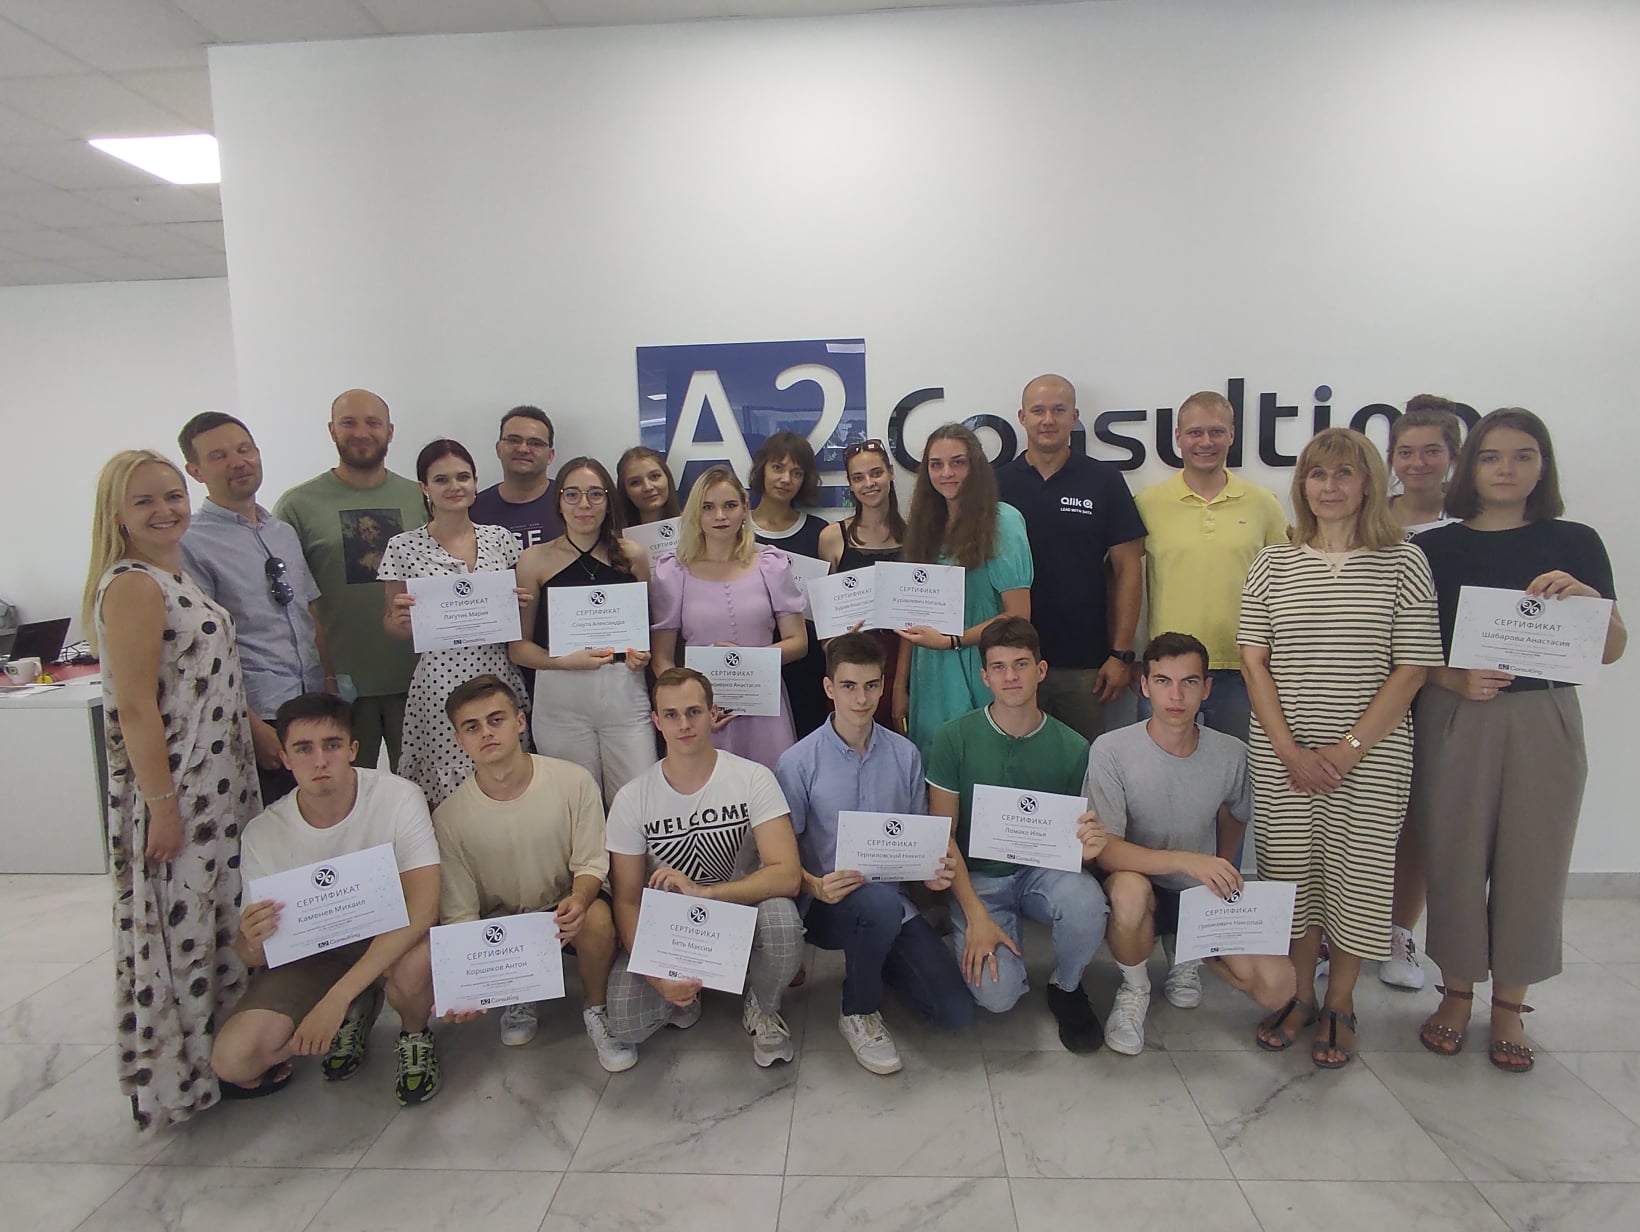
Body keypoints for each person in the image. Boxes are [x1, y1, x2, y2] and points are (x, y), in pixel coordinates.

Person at [1411, 408, 1625, 1073]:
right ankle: (1455, 995)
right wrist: (1454, 677)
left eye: (1523, 456)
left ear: (1543, 466)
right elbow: (1407, 650)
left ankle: (1510, 1007)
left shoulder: (1576, 541)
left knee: (1535, 862)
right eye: (1491, 456)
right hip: (1458, 713)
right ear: (1469, 467)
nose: (1507, 469)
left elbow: (1612, 649)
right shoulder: (1435, 549)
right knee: (1454, 856)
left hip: (1545, 715)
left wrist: (1588, 601)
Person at [1238, 428, 1444, 1069]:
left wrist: (1349, 749)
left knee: (1359, 879)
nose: (1329, 487)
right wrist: (1290, 751)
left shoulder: (1404, 561)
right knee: (1290, 877)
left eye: (1344, 474)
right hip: (1284, 757)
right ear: (1302, 484)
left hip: (1372, 758)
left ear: (1368, 483)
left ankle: (1341, 1001)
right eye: (1318, 474)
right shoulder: (1272, 562)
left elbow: (1411, 668)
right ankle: (1301, 995)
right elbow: (1253, 661)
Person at [83, 449, 258, 1129]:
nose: (165, 510)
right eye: (145, 501)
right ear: (117, 516)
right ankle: (183, 1073)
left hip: (219, 783)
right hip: (180, 790)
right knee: (181, 925)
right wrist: (161, 808)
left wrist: (257, 732)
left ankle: (223, 1054)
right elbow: (134, 708)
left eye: (173, 496)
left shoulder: (173, 574)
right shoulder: (132, 585)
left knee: (215, 920)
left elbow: (203, 677)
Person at [210, 692, 443, 1105]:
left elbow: (423, 908)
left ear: (353, 749)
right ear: (284, 757)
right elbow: (251, 954)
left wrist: (337, 998)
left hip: (391, 938)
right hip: (316, 954)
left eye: (332, 745)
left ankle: (413, 1033)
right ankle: (359, 1005)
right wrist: (251, 940)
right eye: (304, 749)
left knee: (414, 966)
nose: (320, 761)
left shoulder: (399, 796)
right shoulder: (263, 832)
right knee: (234, 1061)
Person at [1088, 632, 1297, 1056]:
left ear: (1207, 688)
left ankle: (1189, 955)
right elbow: (1106, 849)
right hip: (1139, 882)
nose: (1176, 695)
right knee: (1129, 892)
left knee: (1278, 987)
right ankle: (1135, 988)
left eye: (1189, 682)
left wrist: (1219, 868)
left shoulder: (1232, 753)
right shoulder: (1111, 749)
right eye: (1163, 681)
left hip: (1195, 891)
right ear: (1144, 686)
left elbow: (1236, 814)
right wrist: (1188, 861)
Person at [774, 633, 974, 1074]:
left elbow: (920, 837)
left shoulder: (905, 754)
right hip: (825, 904)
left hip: (892, 902)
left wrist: (932, 873)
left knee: (955, 1013)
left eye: (870, 685)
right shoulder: (798, 762)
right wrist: (814, 886)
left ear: (883, 686)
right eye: (849, 686)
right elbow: (780, 855)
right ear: (829, 688)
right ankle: (858, 1011)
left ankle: (878, 955)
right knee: (878, 904)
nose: (861, 699)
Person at [433, 674, 635, 1072]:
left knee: (596, 918)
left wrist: (579, 899)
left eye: (496, 720)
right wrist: (467, 984)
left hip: (565, 905)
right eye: (472, 727)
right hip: (503, 922)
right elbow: (460, 912)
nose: (486, 733)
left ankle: (597, 1008)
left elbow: (591, 863)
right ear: (459, 740)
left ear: (520, 722)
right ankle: (517, 990)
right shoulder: (448, 817)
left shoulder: (573, 780)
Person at [604, 668, 805, 1066]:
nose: (684, 724)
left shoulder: (753, 778)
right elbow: (626, 901)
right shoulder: (631, 798)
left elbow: (787, 874)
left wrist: (707, 893)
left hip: (740, 912)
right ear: (656, 721)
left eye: (694, 712)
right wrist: (656, 977)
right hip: (674, 932)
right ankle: (686, 996)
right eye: (672, 715)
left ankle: (762, 1005)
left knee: (783, 922)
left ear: (713, 714)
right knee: (626, 1022)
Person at [926, 618, 1109, 1052]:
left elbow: (1075, 838)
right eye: (999, 667)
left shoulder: (1074, 748)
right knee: (998, 997)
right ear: (984, 676)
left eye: (1021, 664)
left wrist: (1089, 848)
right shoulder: (954, 738)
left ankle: (1067, 986)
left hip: (1040, 871)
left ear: (1040, 671)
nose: (1010, 676)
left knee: (1087, 902)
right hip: (979, 879)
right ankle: (979, 938)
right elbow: (943, 837)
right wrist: (976, 915)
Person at [178, 411, 332, 804]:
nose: (237, 461)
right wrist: (252, 725)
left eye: (244, 449)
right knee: (270, 825)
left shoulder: (282, 532)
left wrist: (330, 685)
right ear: (195, 470)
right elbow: (204, 649)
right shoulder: (191, 543)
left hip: (309, 704)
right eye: (219, 456)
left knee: (322, 819)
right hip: (258, 715)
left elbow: (307, 612)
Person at [274, 389, 427, 770]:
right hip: (340, 687)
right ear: (331, 430)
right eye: (349, 423)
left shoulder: (420, 497)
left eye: (373, 423)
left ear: (390, 431)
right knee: (347, 790)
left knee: (425, 787)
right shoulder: (297, 506)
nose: (362, 432)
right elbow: (289, 600)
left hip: (418, 677)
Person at [379, 439, 531, 808]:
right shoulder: (402, 547)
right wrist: (400, 620)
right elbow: (392, 624)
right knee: (450, 791)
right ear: (424, 487)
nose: (454, 486)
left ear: (476, 481)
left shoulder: (501, 539)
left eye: (463, 477)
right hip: (440, 684)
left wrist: (520, 605)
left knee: (507, 774)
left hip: (497, 673)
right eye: (441, 479)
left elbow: (518, 617)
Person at [1133, 390, 1287, 745]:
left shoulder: (1264, 504)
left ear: (1232, 435)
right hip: (1166, 669)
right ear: (1178, 437)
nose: (1206, 442)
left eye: (1216, 432)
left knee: (1239, 770)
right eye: (1195, 433)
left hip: (1244, 668)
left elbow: (1284, 584)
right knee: (1159, 769)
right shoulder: (1147, 504)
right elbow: (1123, 581)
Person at [997, 374, 1145, 741]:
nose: (1048, 419)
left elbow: (1128, 568)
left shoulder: (1104, 480)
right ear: (1022, 417)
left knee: (1081, 767)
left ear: (1074, 417)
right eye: (1038, 411)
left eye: (1058, 410)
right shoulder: (995, 484)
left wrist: (1121, 654)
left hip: (1084, 665)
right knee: (1014, 766)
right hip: (1010, 660)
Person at [1379, 395, 1466, 991]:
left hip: (1440, 688)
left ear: (1453, 457)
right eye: (1406, 452)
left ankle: (1399, 932)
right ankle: (1333, 933)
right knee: (1349, 810)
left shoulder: (1472, 526)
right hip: (1362, 685)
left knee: (1415, 818)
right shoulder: (1370, 518)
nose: (1417, 463)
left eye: (1431, 451)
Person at [511, 457, 657, 804]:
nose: (584, 504)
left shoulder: (633, 555)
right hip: (561, 701)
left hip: (625, 696)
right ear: (559, 502)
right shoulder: (534, 560)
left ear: (608, 501)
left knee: (637, 800)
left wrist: (642, 655)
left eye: (595, 494)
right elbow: (518, 648)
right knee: (575, 804)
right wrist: (563, 661)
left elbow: (647, 632)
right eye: (572, 494)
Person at [650, 464, 808, 770]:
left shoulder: (770, 564)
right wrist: (689, 707)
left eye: (730, 505)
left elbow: (798, 642)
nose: (720, 516)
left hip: (763, 705)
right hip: (703, 714)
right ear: (695, 513)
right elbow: (662, 658)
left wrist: (748, 661)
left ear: (745, 507)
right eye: (708, 507)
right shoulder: (675, 571)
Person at [896, 424, 1034, 758]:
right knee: (936, 770)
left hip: (979, 666)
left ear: (976, 466)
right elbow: (910, 615)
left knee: (980, 763)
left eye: (957, 462)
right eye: (936, 464)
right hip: (929, 674)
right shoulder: (924, 524)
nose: (946, 473)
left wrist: (951, 641)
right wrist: (900, 684)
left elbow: (1018, 615)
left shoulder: (1003, 521)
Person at [818, 439, 907, 727]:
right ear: (850, 484)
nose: (868, 483)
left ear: (891, 473)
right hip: (850, 665)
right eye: (858, 477)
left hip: (902, 662)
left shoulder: (914, 536)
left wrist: (900, 685)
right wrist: (833, 645)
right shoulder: (832, 538)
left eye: (876, 473)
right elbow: (825, 622)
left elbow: (917, 617)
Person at [748, 430, 829, 739]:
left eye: (796, 472)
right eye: (778, 468)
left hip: (806, 665)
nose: (786, 479)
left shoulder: (819, 532)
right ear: (762, 469)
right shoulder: (737, 529)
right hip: (751, 663)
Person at [470, 405, 566, 552]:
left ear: (550, 455)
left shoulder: (570, 504)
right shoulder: (473, 510)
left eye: (535, 443)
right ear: (498, 449)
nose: (523, 449)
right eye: (514, 440)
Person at [616, 445, 682, 528]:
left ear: (667, 478)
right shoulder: (615, 535)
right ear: (625, 491)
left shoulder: (693, 528)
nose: (648, 487)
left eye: (655, 476)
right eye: (635, 482)